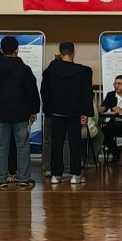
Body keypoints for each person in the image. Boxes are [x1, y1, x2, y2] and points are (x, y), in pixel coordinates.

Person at [0, 36, 40, 189]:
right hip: (21, 113)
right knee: (22, 146)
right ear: (17, 50)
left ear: (1, 50)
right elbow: (32, 91)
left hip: (0, 112)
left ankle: (0, 179)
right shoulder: (24, 69)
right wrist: (33, 110)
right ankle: (24, 178)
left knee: (0, 145)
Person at [40, 41, 93, 185]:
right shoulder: (83, 71)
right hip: (75, 113)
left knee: (56, 144)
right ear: (73, 53)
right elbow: (86, 94)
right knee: (75, 144)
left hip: (56, 113)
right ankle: (75, 175)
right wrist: (86, 113)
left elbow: (44, 92)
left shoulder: (50, 71)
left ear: (60, 53)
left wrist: (48, 111)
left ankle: (55, 175)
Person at [99, 75, 122, 166]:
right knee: (102, 132)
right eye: (115, 84)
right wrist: (100, 109)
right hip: (115, 123)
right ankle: (117, 154)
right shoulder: (111, 95)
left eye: (119, 84)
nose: (116, 86)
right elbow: (104, 107)